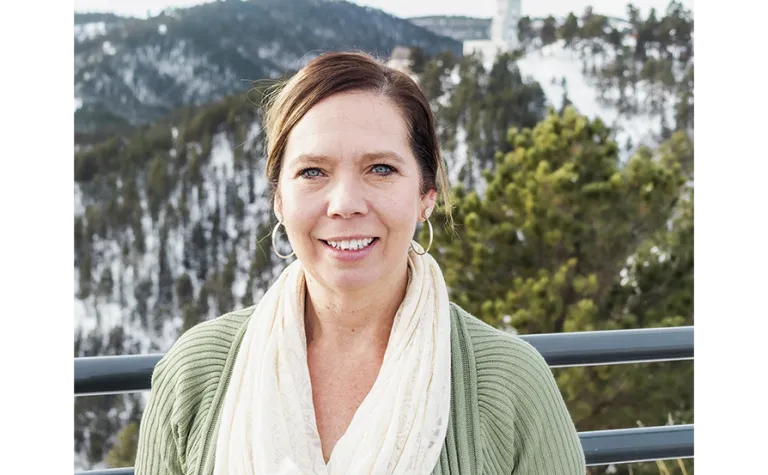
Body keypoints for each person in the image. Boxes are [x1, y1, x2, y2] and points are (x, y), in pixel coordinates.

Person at [134, 51, 586, 475]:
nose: (345, 203)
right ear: (279, 199)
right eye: (313, 172)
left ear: (425, 196)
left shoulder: (510, 385)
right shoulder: (193, 375)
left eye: (380, 169)